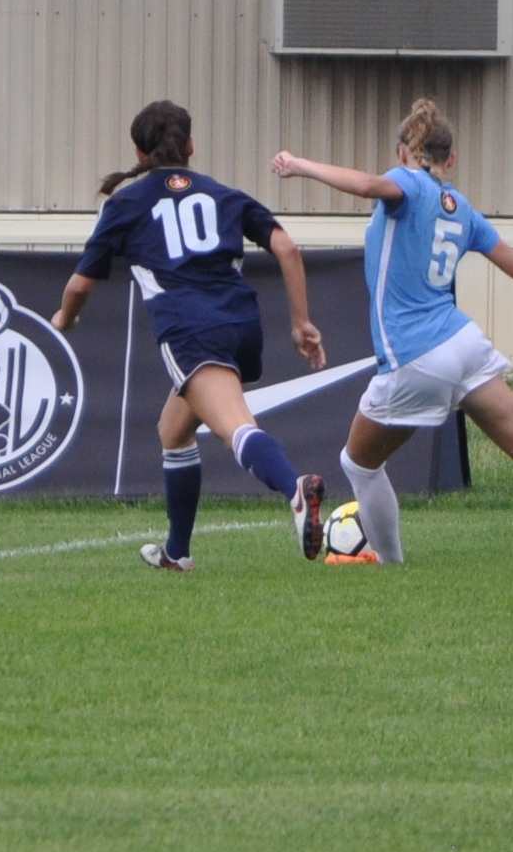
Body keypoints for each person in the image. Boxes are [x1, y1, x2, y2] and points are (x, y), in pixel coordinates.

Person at [268, 98, 513, 565]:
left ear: (404, 152)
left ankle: (390, 565)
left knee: (358, 463)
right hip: (463, 342)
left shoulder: (407, 182)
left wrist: (298, 164)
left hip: (415, 354)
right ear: (453, 159)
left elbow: (367, 185)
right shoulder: (461, 210)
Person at [54, 101, 326, 573]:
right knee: (173, 430)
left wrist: (64, 318)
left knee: (236, 428)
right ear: (191, 146)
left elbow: (80, 285)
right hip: (241, 324)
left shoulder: (125, 204)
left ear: (139, 152)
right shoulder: (224, 194)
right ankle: (176, 553)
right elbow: (287, 247)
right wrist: (301, 322)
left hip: (190, 329)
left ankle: (295, 488)